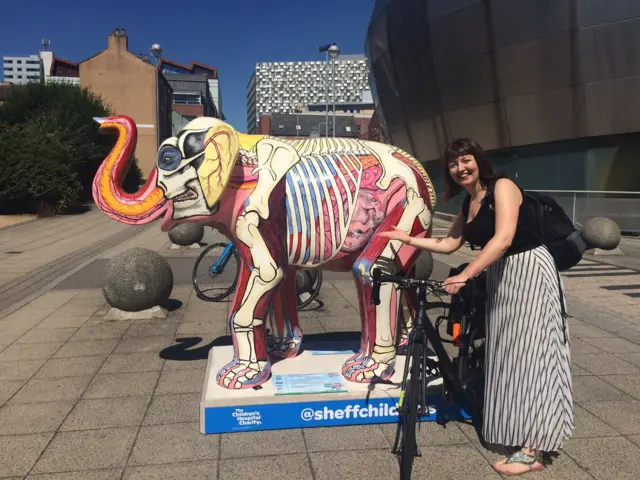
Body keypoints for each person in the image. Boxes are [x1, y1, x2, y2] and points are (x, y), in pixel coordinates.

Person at [379, 137, 573, 476]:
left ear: (478, 161)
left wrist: (467, 274)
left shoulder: (503, 186)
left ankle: (535, 448)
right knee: (509, 353)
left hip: (529, 271)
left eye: (465, 160)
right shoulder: (469, 202)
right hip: (501, 276)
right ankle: (518, 430)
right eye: (453, 164)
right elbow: (450, 242)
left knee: (535, 354)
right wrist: (406, 238)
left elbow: (504, 238)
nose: (459, 168)